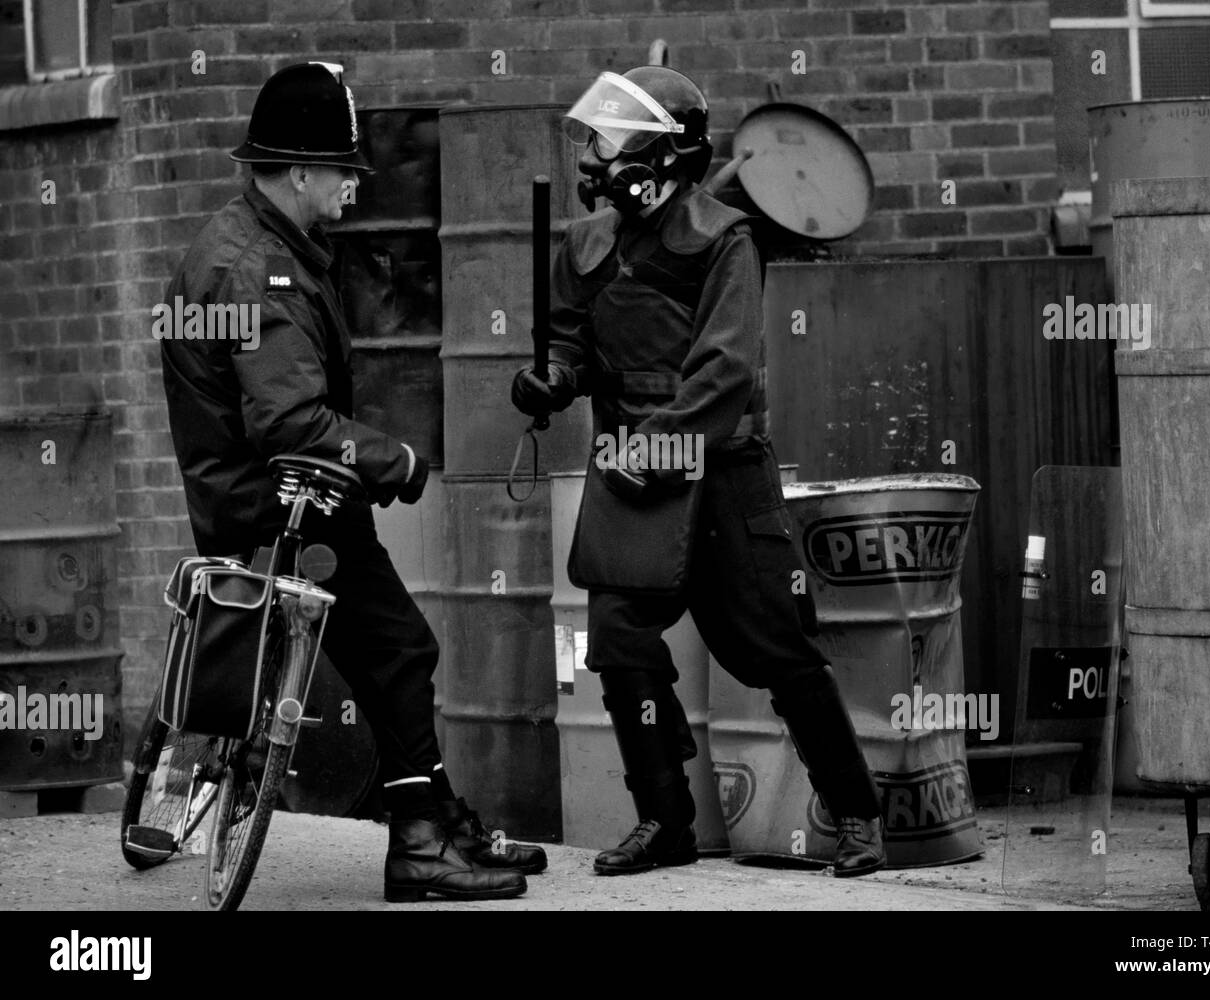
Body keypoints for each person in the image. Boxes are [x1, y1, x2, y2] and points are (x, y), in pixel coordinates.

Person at [160, 62, 543, 902]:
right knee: (402, 651)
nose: (352, 187)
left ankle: (437, 816)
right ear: (299, 171)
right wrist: (391, 460)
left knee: (387, 656)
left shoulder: (234, 242)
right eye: (342, 171)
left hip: (247, 502)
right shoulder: (267, 273)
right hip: (289, 507)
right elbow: (288, 421)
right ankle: (418, 846)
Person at [511, 66, 887, 877]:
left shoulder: (725, 240)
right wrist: (553, 376)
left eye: (608, 141)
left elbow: (723, 374)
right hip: (631, 474)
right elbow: (572, 343)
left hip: (718, 473)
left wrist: (656, 446)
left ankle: (858, 817)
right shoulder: (584, 245)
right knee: (615, 643)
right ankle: (665, 823)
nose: (593, 154)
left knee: (777, 648)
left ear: (659, 156)